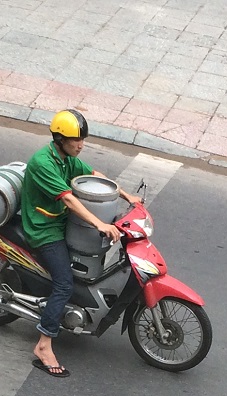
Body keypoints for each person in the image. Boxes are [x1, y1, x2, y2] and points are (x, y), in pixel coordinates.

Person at [21, 109, 141, 378]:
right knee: (64, 283)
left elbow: (95, 176)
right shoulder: (44, 163)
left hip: (60, 223)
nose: (81, 145)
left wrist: (126, 196)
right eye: (77, 140)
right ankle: (43, 346)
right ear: (61, 139)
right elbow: (68, 199)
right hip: (43, 230)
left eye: (82, 140)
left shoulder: (65, 158)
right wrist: (99, 224)